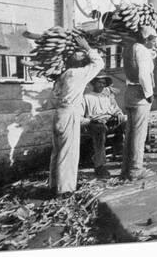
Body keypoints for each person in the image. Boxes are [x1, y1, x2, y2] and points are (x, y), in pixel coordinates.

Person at [49, 36, 104, 195]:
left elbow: (55, 95)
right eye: (81, 56)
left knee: (57, 150)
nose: (84, 58)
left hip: (59, 113)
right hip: (70, 112)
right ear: (77, 62)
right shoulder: (78, 74)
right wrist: (87, 46)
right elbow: (98, 63)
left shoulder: (63, 75)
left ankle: (54, 185)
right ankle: (65, 189)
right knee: (68, 151)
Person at [121, 26, 157, 180]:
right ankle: (136, 170)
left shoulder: (130, 48)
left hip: (129, 92)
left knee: (129, 133)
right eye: (154, 38)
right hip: (140, 93)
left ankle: (125, 170)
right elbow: (143, 74)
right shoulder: (142, 50)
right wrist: (149, 94)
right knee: (139, 134)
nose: (156, 41)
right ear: (146, 39)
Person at [81, 75, 126, 178]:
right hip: (94, 123)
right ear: (93, 83)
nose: (102, 85)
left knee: (127, 120)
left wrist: (119, 114)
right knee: (100, 130)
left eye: (103, 83)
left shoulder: (106, 96)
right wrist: (91, 120)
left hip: (109, 120)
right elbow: (81, 117)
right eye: (99, 82)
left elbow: (115, 109)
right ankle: (99, 166)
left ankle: (122, 151)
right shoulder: (86, 97)